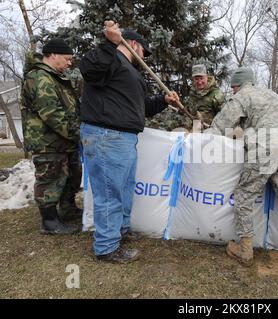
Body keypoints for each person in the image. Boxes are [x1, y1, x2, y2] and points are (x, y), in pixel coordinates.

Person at [204, 67, 278, 281]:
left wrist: (201, 133)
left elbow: (219, 126)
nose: (232, 91)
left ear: (237, 85)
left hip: (265, 146)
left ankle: (244, 249)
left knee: (244, 194)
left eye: (232, 87)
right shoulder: (272, 96)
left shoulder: (242, 96)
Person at [79, 21, 179, 263]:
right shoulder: (109, 59)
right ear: (133, 44)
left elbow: (141, 108)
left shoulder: (130, 71)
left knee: (123, 190)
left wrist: (165, 100)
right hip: (106, 136)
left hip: (124, 138)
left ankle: (120, 231)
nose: (143, 55)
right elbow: (88, 68)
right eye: (143, 50)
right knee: (109, 192)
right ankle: (105, 248)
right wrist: (109, 43)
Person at [20, 38, 81, 235]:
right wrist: (78, 134)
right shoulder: (39, 77)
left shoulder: (56, 77)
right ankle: (49, 221)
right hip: (47, 142)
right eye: (67, 58)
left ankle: (68, 209)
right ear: (53, 55)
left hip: (64, 141)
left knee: (71, 175)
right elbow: (53, 114)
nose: (69, 63)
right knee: (50, 179)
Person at [148, 63, 225, 131]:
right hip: (194, 133)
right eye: (196, 79)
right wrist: (179, 107)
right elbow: (189, 111)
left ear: (206, 77)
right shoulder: (193, 93)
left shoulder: (216, 94)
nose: (199, 82)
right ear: (193, 79)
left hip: (210, 134)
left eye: (201, 78)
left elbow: (224, 116)